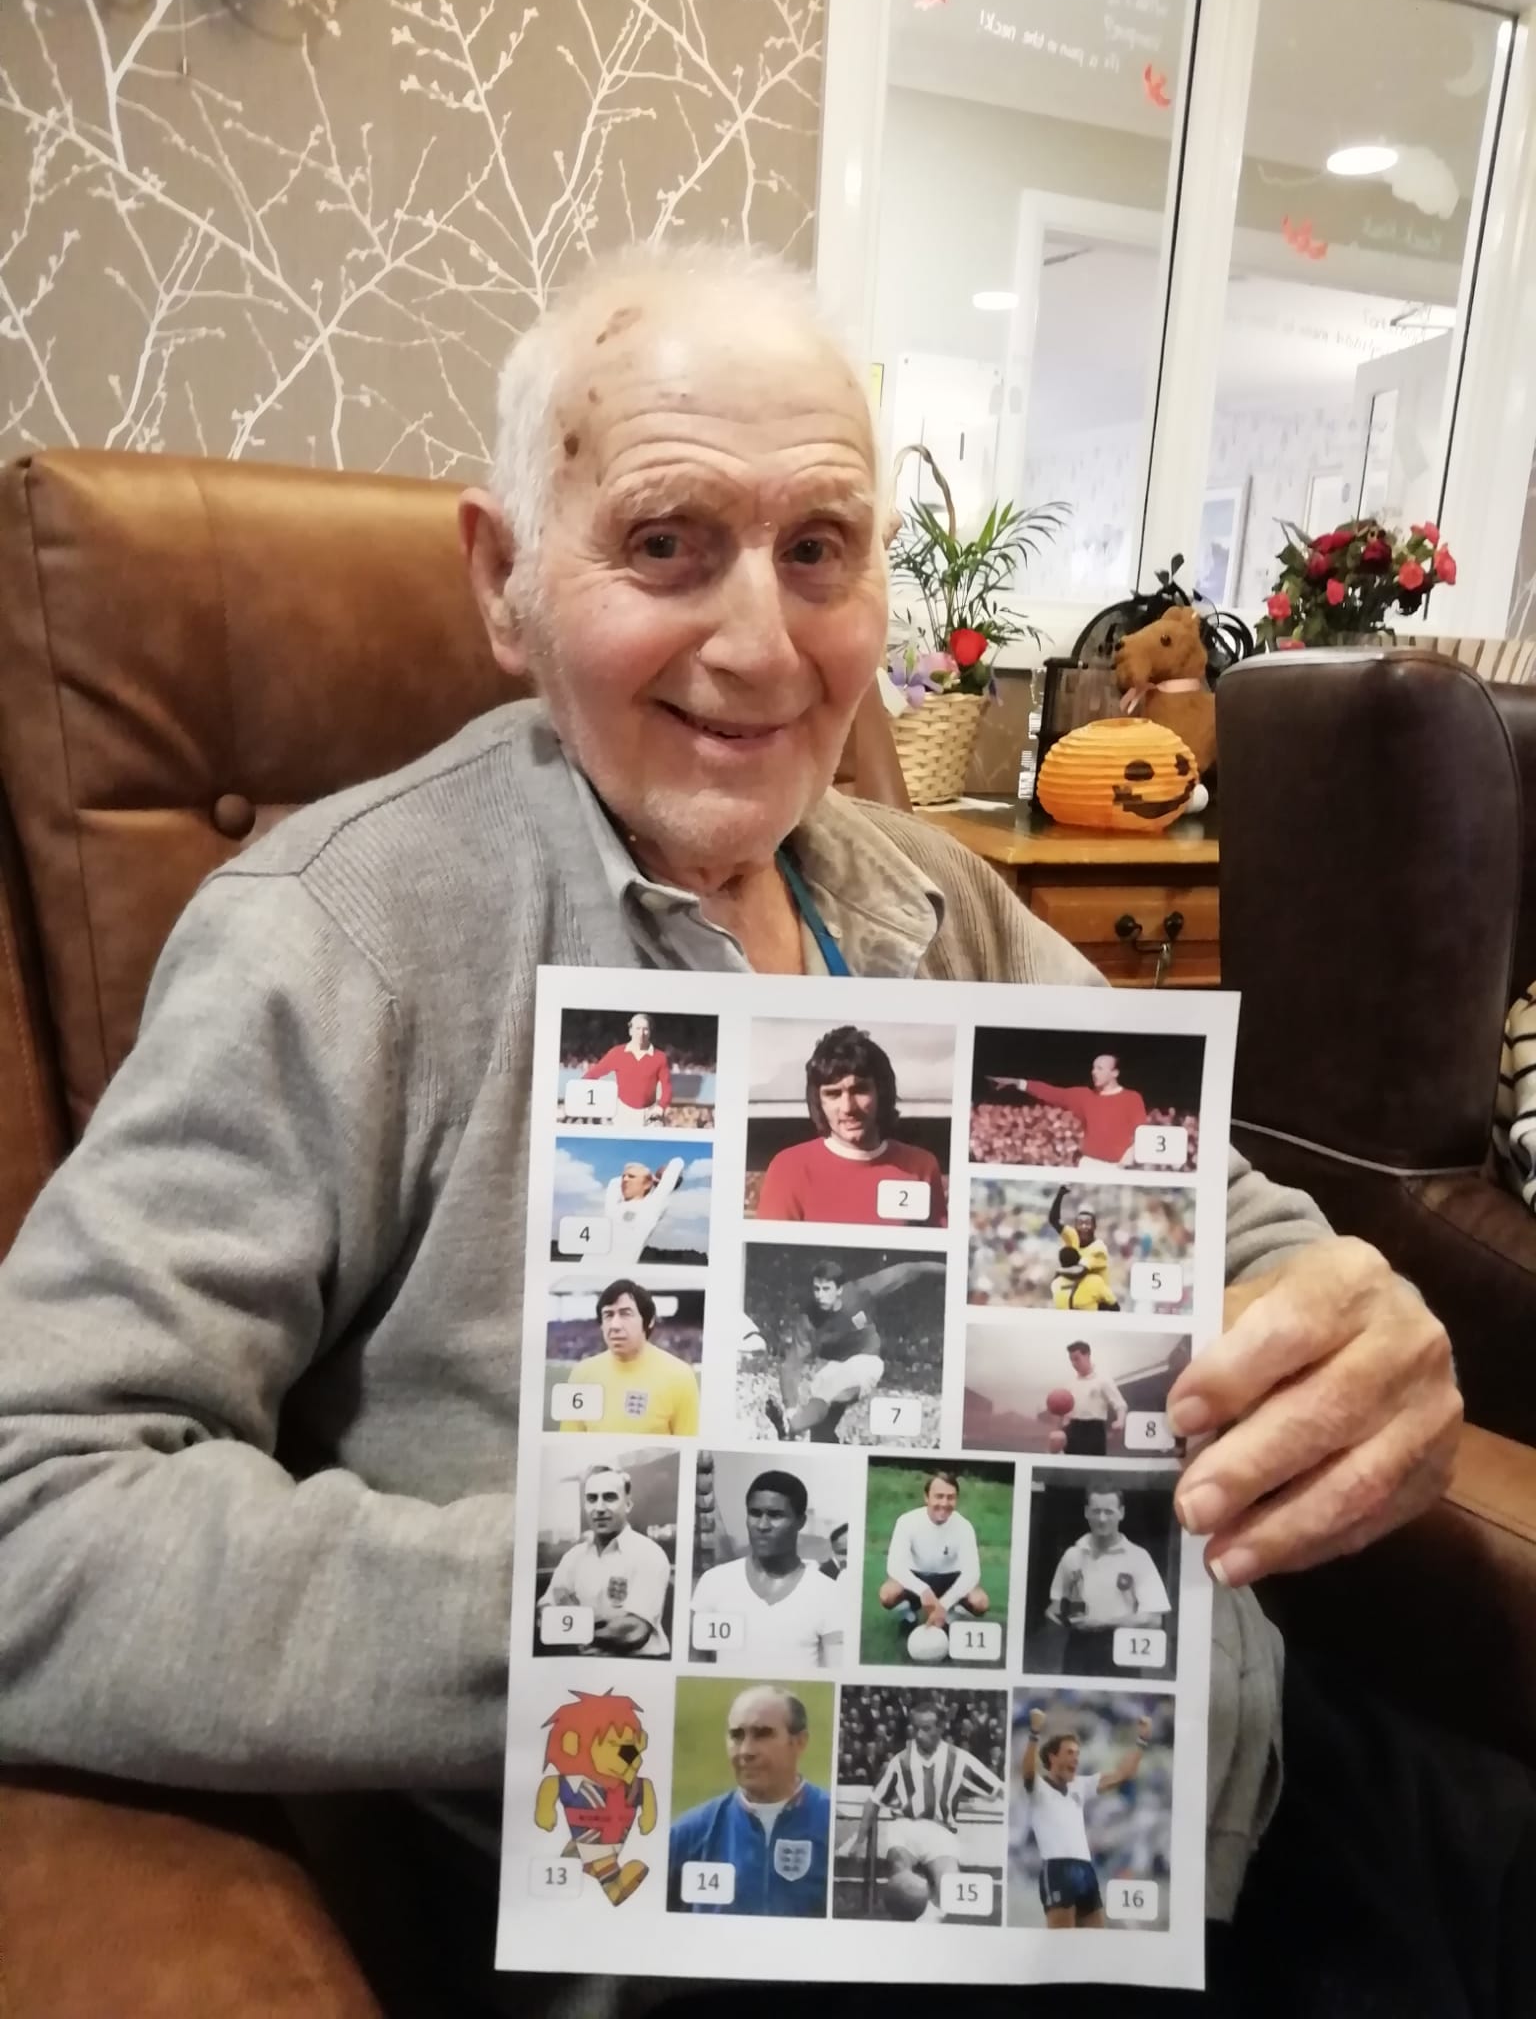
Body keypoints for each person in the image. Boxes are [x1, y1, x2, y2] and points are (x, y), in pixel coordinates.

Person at [0, 244, 1476, 2016]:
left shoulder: (933, 895)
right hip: (766, 1909)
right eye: (665, 541)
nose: (761, 643)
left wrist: (1344, 1308)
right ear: (505, 580)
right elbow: (37, 1515)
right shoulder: (339, 938)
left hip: (1215, 1799)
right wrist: (658, 1596)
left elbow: (1208, 1213)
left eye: (820, 549)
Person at [756, 1025, 947, 1225]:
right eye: (833, 1094)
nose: (848, 1107)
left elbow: (934, 1254)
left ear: (881, 1091)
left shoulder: (920, 1166)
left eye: (859, 1090)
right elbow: (770, 1255)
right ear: (818, 1101)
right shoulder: (789, 1169)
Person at [667, 1685, 831, 1918]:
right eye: (736, 1735)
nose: (746, 1750)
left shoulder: (830, 1822)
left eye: (762, 1734)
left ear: (799, 1742)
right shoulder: (688, 1835)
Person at [843, 1699, 1004, 1922]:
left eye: (926, 1729)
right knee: (904, 1883)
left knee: (950, 1888)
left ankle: (927, 1920)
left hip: (940, 1831)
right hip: (905, 1827)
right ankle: (906, 1923)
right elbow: (874, 1800)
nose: (919, 1735)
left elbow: (998, 1789)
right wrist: (860, 1840)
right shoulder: (901, 1761)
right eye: (916, 1729)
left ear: (940, 1728)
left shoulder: (960, 1759)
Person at [764, 1257, 942, 1444]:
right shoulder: (809, 1319)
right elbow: (791, 1364)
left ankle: (792, 1428)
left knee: (831, 1388)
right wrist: (790, 1408)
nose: (820, 1296)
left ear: (839, 1290)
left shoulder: (859, 1292)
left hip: (866, 1360)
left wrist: (955, 1269)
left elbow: (909, 1269)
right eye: (816, 1289)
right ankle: (795, 1429)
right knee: (821, 1432)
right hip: (835, 1366)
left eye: (826, 1289)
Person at [691, 1469, 843, 1668]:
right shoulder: (715, 1582)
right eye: (754, 1514)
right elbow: (694, 1666)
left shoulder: (828, 1593)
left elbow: (836, 1674)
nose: (762, 1525)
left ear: (800, 1521)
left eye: (775, 1515)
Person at [1019, 1707, 1152, 1929]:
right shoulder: (1039, 1788)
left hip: (1085, 1869)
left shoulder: (1079, 1784)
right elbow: (1028, 1772)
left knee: (1094, 1942)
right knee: (1063, 1943)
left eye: (1077, 1754)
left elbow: (1123, 1774)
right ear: (1052, 1757)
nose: (1076, 1759)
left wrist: (1141, 1741)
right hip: (1057, 1869)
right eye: (1070, 1753)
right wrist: (1034, 1733)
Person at [537, 1465, 671, 1657]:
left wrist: (573, 1622)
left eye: (609, 1497)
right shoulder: (573, 1557)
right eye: (592, 1499)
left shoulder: (649, 1554)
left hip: (641, 1666)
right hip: (582, 1665)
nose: (599, 1508)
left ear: (628, 1504)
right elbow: (544, 1612)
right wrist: (604, 1624)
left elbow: (634, 1631)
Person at [1046, 1486, 1170, 1678]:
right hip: (1078, 1650)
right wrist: (1063, 1616)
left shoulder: (1138, 1557)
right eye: (1096, 1511)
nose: (1102, 1519)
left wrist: (1101, 1623)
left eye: (1109, 1512)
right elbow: (1056, 1606)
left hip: (1121, 1649)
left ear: (1121, 1513)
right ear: (1087, 1512)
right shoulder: (1072, 1555)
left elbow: (1153, 1619)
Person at [559, 1277, 698, 1436]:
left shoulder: (680, 1376)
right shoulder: (581, 1374)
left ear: (649, 1320)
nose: (615, 1325)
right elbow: (568, 1441)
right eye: (608, 1315)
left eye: (625, 1314)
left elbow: (688, 1450)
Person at [992, 1053, 1149, 1168]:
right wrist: (1019, 1083)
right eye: (1093, 1068)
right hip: (1089, 1165)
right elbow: (1052, 1093)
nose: (1094, 1072)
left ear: (1114, 1073)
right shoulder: (1084, 1096)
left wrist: (1126, 1161)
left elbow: (1142, 1134)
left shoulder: (1131, 1098)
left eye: (1100, 1068)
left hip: (1118, 1168)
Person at [878, 1470, 988, 1634]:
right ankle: (909, 1616)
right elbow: (894, 1566)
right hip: (917, 1577)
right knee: (887, 1594)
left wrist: (943, 1604)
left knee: (980, 1602)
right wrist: (923, 1591)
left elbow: (972, 1574)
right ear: (926, 1497)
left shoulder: (964, 1527)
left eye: (950, 1497)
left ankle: (950, 1617)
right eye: (939, 1496)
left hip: (950, 1578)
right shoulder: (907, 1521)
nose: (944, 1503)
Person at [573, 1155, 686, 1269]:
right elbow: (614, 1183)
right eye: (624, 1176)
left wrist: (649, 1178)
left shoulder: (652, 1206)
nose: (625, 1179)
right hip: (584, 1270)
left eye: (631, 1177)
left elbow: (677, 1163)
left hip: (614, 1275)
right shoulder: (613, 1208)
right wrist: (644, 1176)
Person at [583, 1013, 671, 1129]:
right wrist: (577, 1090)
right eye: (637, 1028)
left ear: (650, 1032)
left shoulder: (660, 1057)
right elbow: (594, 1073)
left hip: (649, 1113)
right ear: (630, 1031)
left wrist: (661, 1107)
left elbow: (667, 1086)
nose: (641, 1033)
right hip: (622, 1113)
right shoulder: (617, 1053)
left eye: (645, 1029)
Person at [1062, 1340, 1127, 1456]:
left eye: (1077, 1359)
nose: (1074, 1363)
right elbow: (1068, 1406)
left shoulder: (1103, 1379)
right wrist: (1066, 1421)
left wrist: (1120, 1420)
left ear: (1087, 1355)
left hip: (1094, 1429)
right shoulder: (1071, 1382)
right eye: (1071, 1360)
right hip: (1074, 1428)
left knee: (1093, 1467)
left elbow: (1120, 1404)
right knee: (1071, 1466)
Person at [1051, 1247, 1119, 1313]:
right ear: (1079, 1260)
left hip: (1064, 1323)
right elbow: (1115, 1306)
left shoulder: (1055, 1284)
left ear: (1061, 1263)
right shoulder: (1095, 1281)